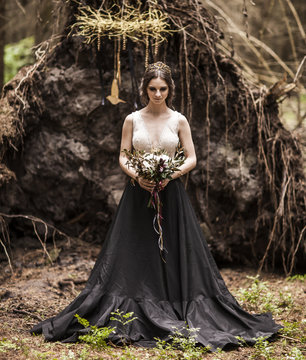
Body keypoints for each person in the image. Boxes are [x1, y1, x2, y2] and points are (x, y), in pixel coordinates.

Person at [30, 61, 282, 351]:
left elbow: (191, 158)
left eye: (163, 89)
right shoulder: (132, 119)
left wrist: (168, 175)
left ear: (170, 89)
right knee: (135, 250)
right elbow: (124, 156)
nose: (158, 94)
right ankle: (137, 303)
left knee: (173, 250)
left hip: (170, 194)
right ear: (145, 89)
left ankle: (174, 302)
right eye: (153, 89)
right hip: (138, 195)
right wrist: (139, 175)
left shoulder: (179, 120)